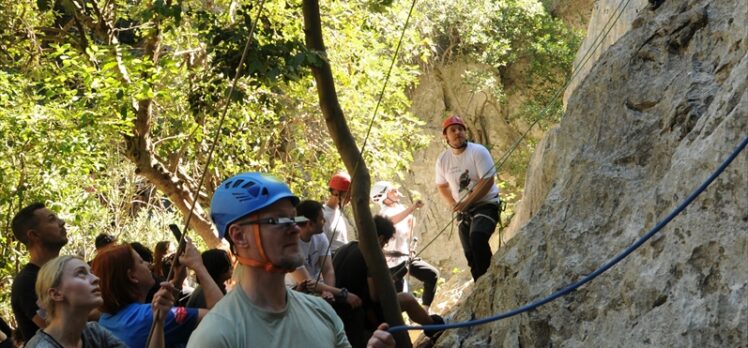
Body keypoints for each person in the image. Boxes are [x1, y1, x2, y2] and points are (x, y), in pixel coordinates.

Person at [187, 172, 394, 348]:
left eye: (293, 218)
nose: (294, 228)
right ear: (239, 236)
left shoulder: (320, 312)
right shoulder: (217, 335)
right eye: (278, 220)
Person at [333, 215, 443, 347]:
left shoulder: (345, 248)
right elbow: (375, 296)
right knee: (407, 299)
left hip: (338, 308)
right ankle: (435, 328)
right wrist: (391, 280)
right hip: (361, 313)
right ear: (380, 239)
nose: (383, 247)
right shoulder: (373, 257)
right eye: (385, 243)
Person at [92, 242, 223, 348]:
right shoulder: (149, 316)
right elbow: (222, 316)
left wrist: (177, 281)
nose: (149, 265)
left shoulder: (105, 319)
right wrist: (198, 266)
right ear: (132, 276)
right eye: (141, 262)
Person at [25, 255, 174, 348]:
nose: (96, 279)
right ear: (56, 294)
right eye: (81, 274)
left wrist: (158, 321)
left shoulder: (93, 332)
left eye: (92, 273)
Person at [435, 115, 500, 281]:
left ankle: (489, 280)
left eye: (461, 129)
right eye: (453, 130)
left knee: (477, 237)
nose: (458, 133)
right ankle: (480, 283)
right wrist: (452, 203)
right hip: (464, 209)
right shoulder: (443, 159)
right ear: (446, 136)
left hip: (486, 204)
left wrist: (466, 202)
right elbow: (441, 186)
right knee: (469, 252)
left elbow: (488, 180)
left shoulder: (478, 151)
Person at [370, 181, 440, 312]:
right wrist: (411, 208)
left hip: (405, 259)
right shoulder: (383, 214)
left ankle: (425, 311)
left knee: (432, 275)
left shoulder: (399, 209)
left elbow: (405, 234)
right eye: (392, 191)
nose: (397, 192)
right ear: (383, 196)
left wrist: (410, 225)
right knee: (399, 300)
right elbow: (390, 222)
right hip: (392, 265)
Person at [10, 202, 68, 343]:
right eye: (51, 219)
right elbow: (60, 330)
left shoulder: (65, 270)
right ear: (34, 235)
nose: (61, 222)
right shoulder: (27, 282)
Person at [288, 200, 362, 308]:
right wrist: (343, 293)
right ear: (310, 224)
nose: (324, 222)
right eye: (322, 219)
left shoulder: (321, 237)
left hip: (320, 288)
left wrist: (329, 292)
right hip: (297, 291)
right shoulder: (290, 245)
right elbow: (306, 282)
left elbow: (328, 270)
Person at [323, 171, 353, 254]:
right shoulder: (323, 216)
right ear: (336, 193)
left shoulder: (338, 212)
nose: (349, 200)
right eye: (347, 196)